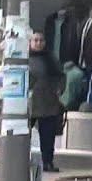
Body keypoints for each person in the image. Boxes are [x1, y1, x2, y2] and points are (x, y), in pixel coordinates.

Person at [28, 31, 65, 173]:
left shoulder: (51, 59)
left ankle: (48, 162)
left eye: (41, 40)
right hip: (30, 104)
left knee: (48, 136)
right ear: (30, 42)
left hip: (48, 102)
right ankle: (22, 160)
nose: (38, 43)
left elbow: (61, 77)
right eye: (35, 40)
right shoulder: (25, 58)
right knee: (24, 135)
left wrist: (59, 90)